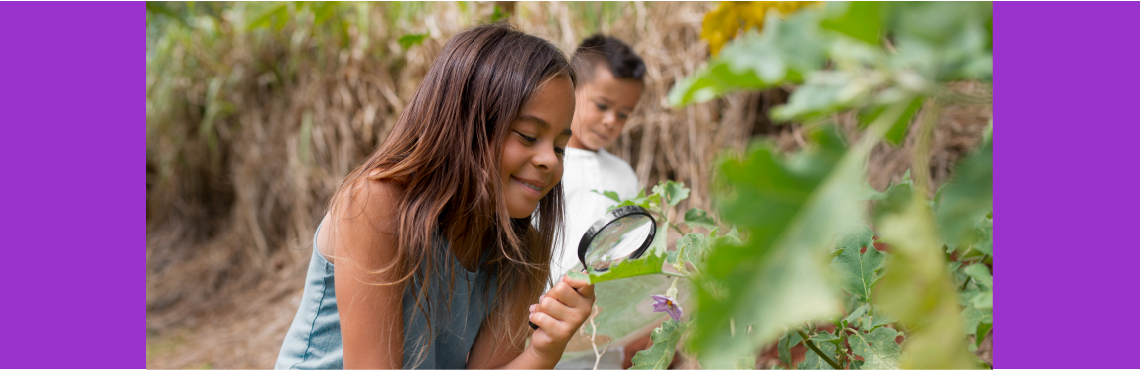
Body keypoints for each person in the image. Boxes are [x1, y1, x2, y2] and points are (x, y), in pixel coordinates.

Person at [275, 23, 595, 370]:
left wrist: (544, 350)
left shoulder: (523, 250)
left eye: (560, 147)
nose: (550, 159)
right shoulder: (374, 205)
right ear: (465, 125)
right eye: (528, 136)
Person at [550, 35, 646, 370]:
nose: (611, 121)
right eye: (602, 105)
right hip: (546, 325)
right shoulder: (545, 163)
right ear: (572, 91)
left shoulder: (624, 175)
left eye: (623, 114)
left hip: (606, 335)